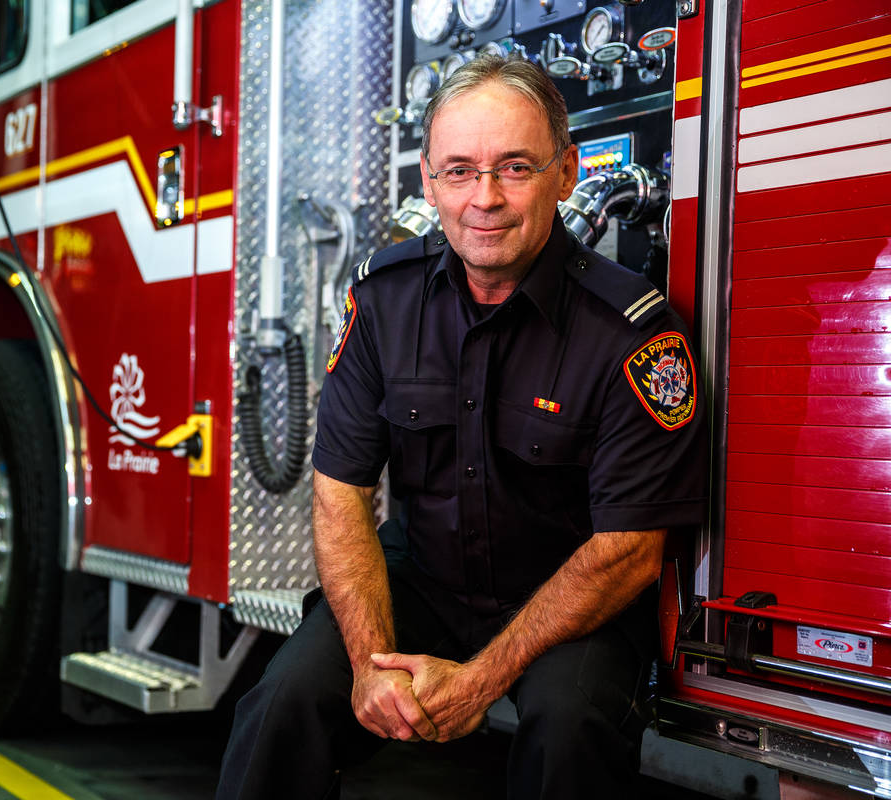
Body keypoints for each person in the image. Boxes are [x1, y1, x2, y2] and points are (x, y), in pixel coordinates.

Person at [216, 54, 706, 800]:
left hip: (568, 603)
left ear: (567, 173)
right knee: (281, 706)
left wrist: (479, 682)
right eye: (459, 171)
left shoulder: (634, 334)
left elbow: (628, 555)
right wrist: (372, 664)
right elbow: (340, 493)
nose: (486, 199)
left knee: (570, 734)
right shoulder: (385, 302)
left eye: (515, 168)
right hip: (425, 582)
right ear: (428, 181)